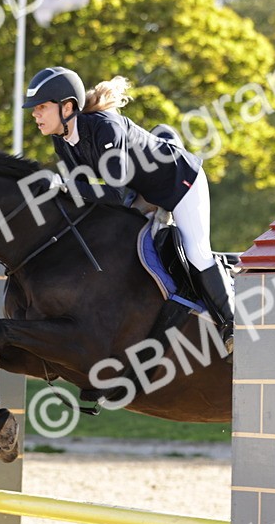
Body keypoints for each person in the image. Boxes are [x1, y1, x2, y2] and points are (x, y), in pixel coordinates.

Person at [22, 67, 234, 353]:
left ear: (67, 107)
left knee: (197, 253)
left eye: (42, 108)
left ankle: (233, 325)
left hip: (180, 183)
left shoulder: (104, 128)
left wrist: (61, 184)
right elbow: (82, 195)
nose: (35, 114)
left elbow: (112, 193)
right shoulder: (63, 140)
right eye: (35, 109)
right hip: (143, 191)